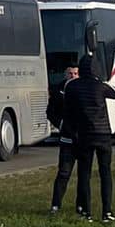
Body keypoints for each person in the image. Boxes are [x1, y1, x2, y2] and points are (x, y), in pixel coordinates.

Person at [62, 55, 115, 222]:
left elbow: (68, 112)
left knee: (84, 174)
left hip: (84, 135)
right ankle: (107, 212)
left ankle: (86, 211)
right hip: (103, 135)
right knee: (105, 173)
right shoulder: (100, 86)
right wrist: (101, 79)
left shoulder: (72, 87)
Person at [47, 64, 80, 214]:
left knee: (83, 175)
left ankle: (81, 206)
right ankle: (56, 205)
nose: (73, 76)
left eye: (75, 73)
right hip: (67, 140)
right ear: (65, 75)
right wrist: (60, 124)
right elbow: (50, 111)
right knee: (63, 173)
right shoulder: (58, 91)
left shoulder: (83, 89)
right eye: (70, 73)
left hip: (82, 139)